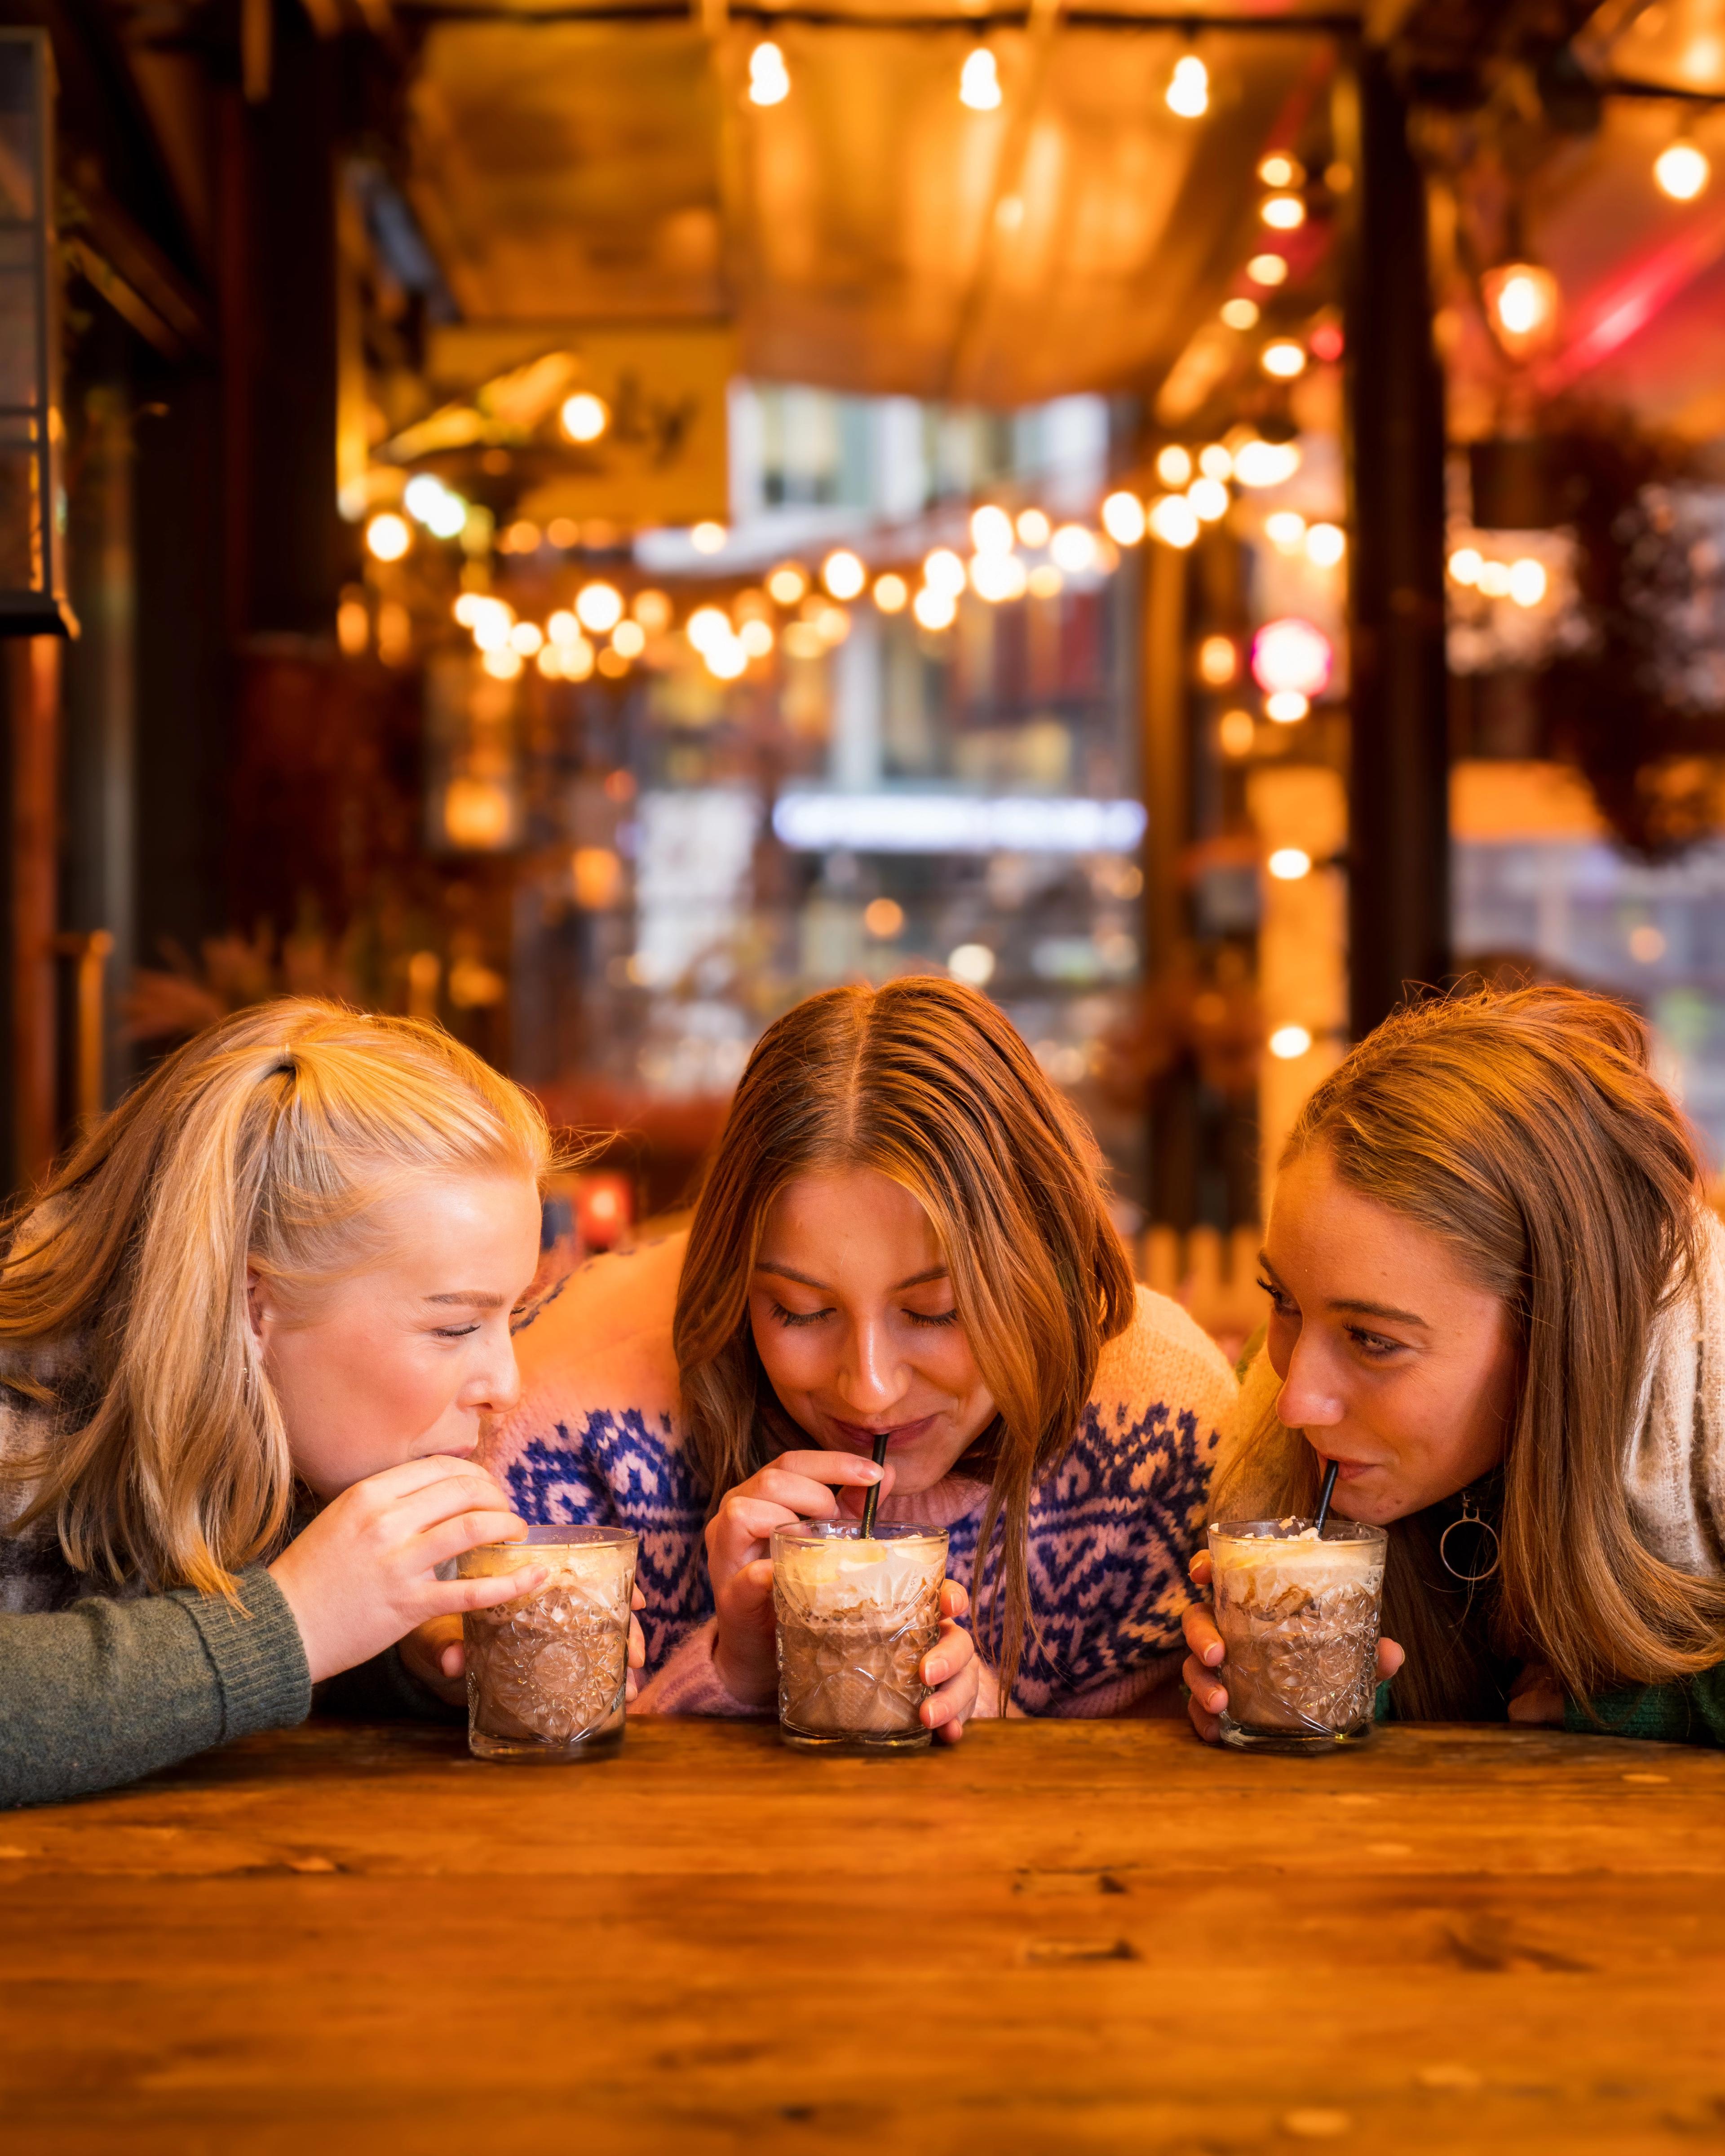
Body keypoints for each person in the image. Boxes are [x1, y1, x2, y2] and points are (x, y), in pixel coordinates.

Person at [451, 978, 1238, 1729]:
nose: (868, 1390)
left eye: (938, 1313)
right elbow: (530, 1813)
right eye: (801, 1311)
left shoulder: (1164, 1422)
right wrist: (736, 1673)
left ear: (1040, 1268)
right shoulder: (567, 1426)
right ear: (734, 1276)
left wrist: (986, 1717)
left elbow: (1172, 1807)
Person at [0, 1000, 639, 1809]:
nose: (504, 1386)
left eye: (507, 1318)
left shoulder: (279, 1428)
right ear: (254, 1306)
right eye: (452, 1327)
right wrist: (292, 1624)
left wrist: (404, 1653)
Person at [1182, 983, 1725, 1746]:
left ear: (1555, 1335)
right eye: (1285, 1300)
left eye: (1374, 1340)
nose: (1294, 1400)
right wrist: (1308, 1695)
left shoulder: (1705, 1402)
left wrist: (1629, 1707)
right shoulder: (1263, 1432)